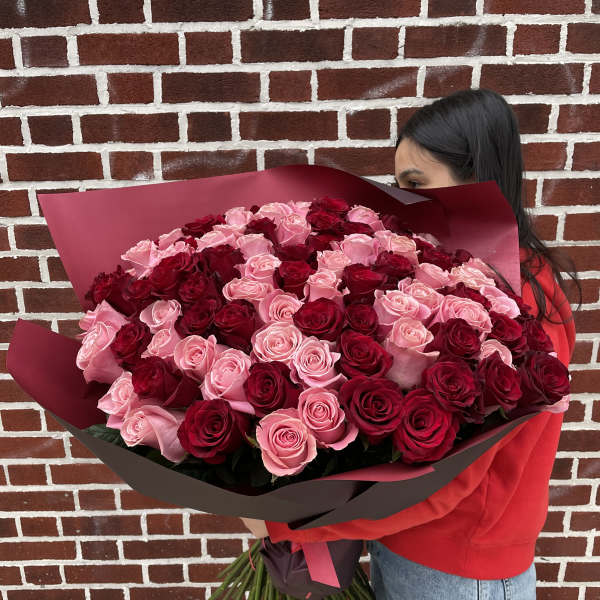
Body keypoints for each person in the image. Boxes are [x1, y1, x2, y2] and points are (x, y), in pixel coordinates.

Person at [242, 88, 581, 599]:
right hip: (417, 554)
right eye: (400, 186)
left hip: (458, 574)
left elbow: (450, 482)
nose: (405, 203)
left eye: (417, 184)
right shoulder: (477, 280)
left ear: (479, 178)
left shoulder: (520, 306)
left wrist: (286, 525)